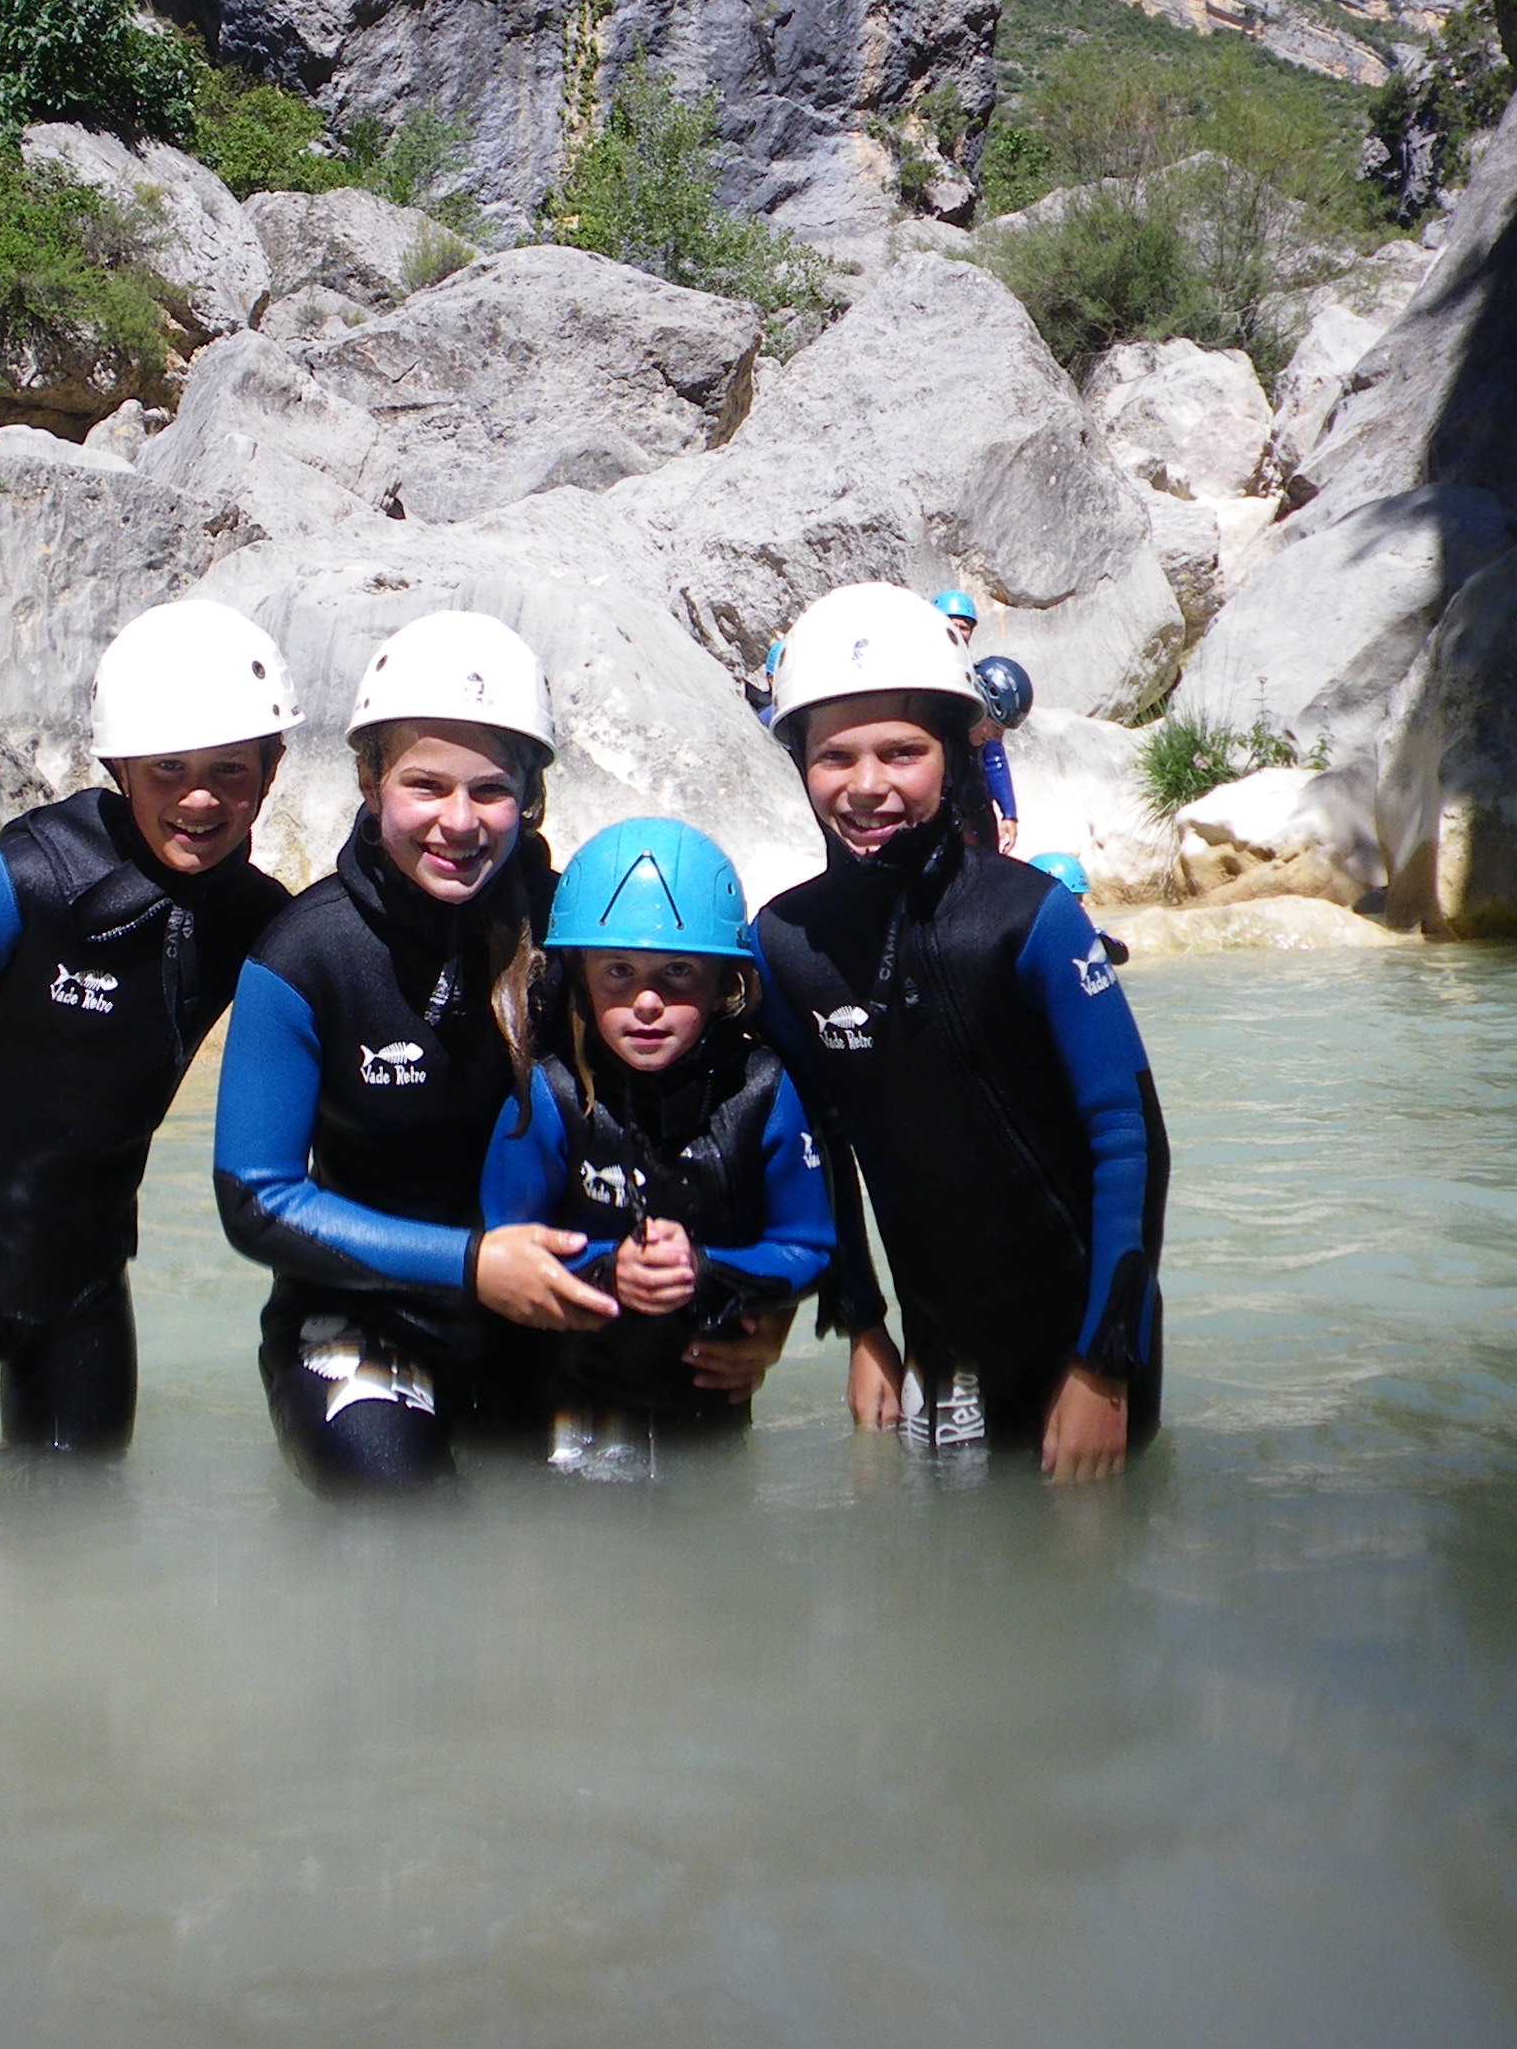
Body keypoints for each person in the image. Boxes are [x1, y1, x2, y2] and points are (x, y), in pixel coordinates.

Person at [0, 599, 301, 1506]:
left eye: (231, 770)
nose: (200, 799)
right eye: (167, 770)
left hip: (82, 1288)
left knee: (85, 1545)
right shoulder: (21, 882)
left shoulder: (258, 922)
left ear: (272, 772)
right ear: (119, 766)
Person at [757, 582, 1167, 1484]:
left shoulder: (1032, 919)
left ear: (952, 753)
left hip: (1091, 1345)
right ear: (800, 766)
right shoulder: (784, 946)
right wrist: (860, 1323)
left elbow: (1130, 1141)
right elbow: (818, 1144)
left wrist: (1105, 1365)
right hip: (942, 1353)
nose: (869, 786)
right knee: (953, 1581)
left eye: (903, 753)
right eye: (836, 757)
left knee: (1093, 1586)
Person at [210, 609, 610, 1492]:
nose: (459, 822)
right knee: (404, 1534)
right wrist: (469, 1265)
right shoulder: (307, 953)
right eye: (426, 785)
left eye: (491, 789)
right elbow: (255, 1199)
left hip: (541, 1312)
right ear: (368, 778)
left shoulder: (579, 931)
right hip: (364, 1320)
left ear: (531, 795)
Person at [480, 818, 831, 1476]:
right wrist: (613, 1266)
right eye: (617, 971)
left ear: (726, 982)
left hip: (705, 1414)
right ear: (578, 978)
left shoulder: (764, 1093)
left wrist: (704, 1270)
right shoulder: (547, 1097)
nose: (646, 1000)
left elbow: (809, 1249)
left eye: (677, 972)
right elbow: (501, 1247)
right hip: (563, 1417)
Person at [930, 588, 1022, 855]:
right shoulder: (914, 678)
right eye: (952, 624)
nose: (959, 631)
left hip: (973, 802)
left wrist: (1009, 812)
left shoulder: (980, 679)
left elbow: (993, 753)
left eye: (965, 626)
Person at [1029, 848, 1128, 969]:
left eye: (1081, 898)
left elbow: (1120, 954)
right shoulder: (1026, 936)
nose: (1082, 905)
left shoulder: (1085, 930)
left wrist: (1096, 938)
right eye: (1074, 899)